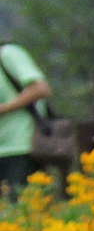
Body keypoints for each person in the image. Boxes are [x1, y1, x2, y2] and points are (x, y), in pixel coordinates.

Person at [0, 43, 56, 195]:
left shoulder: (8, 54)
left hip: (20, 146)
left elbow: (40, 88)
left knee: (20, 206)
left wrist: (4, 108)